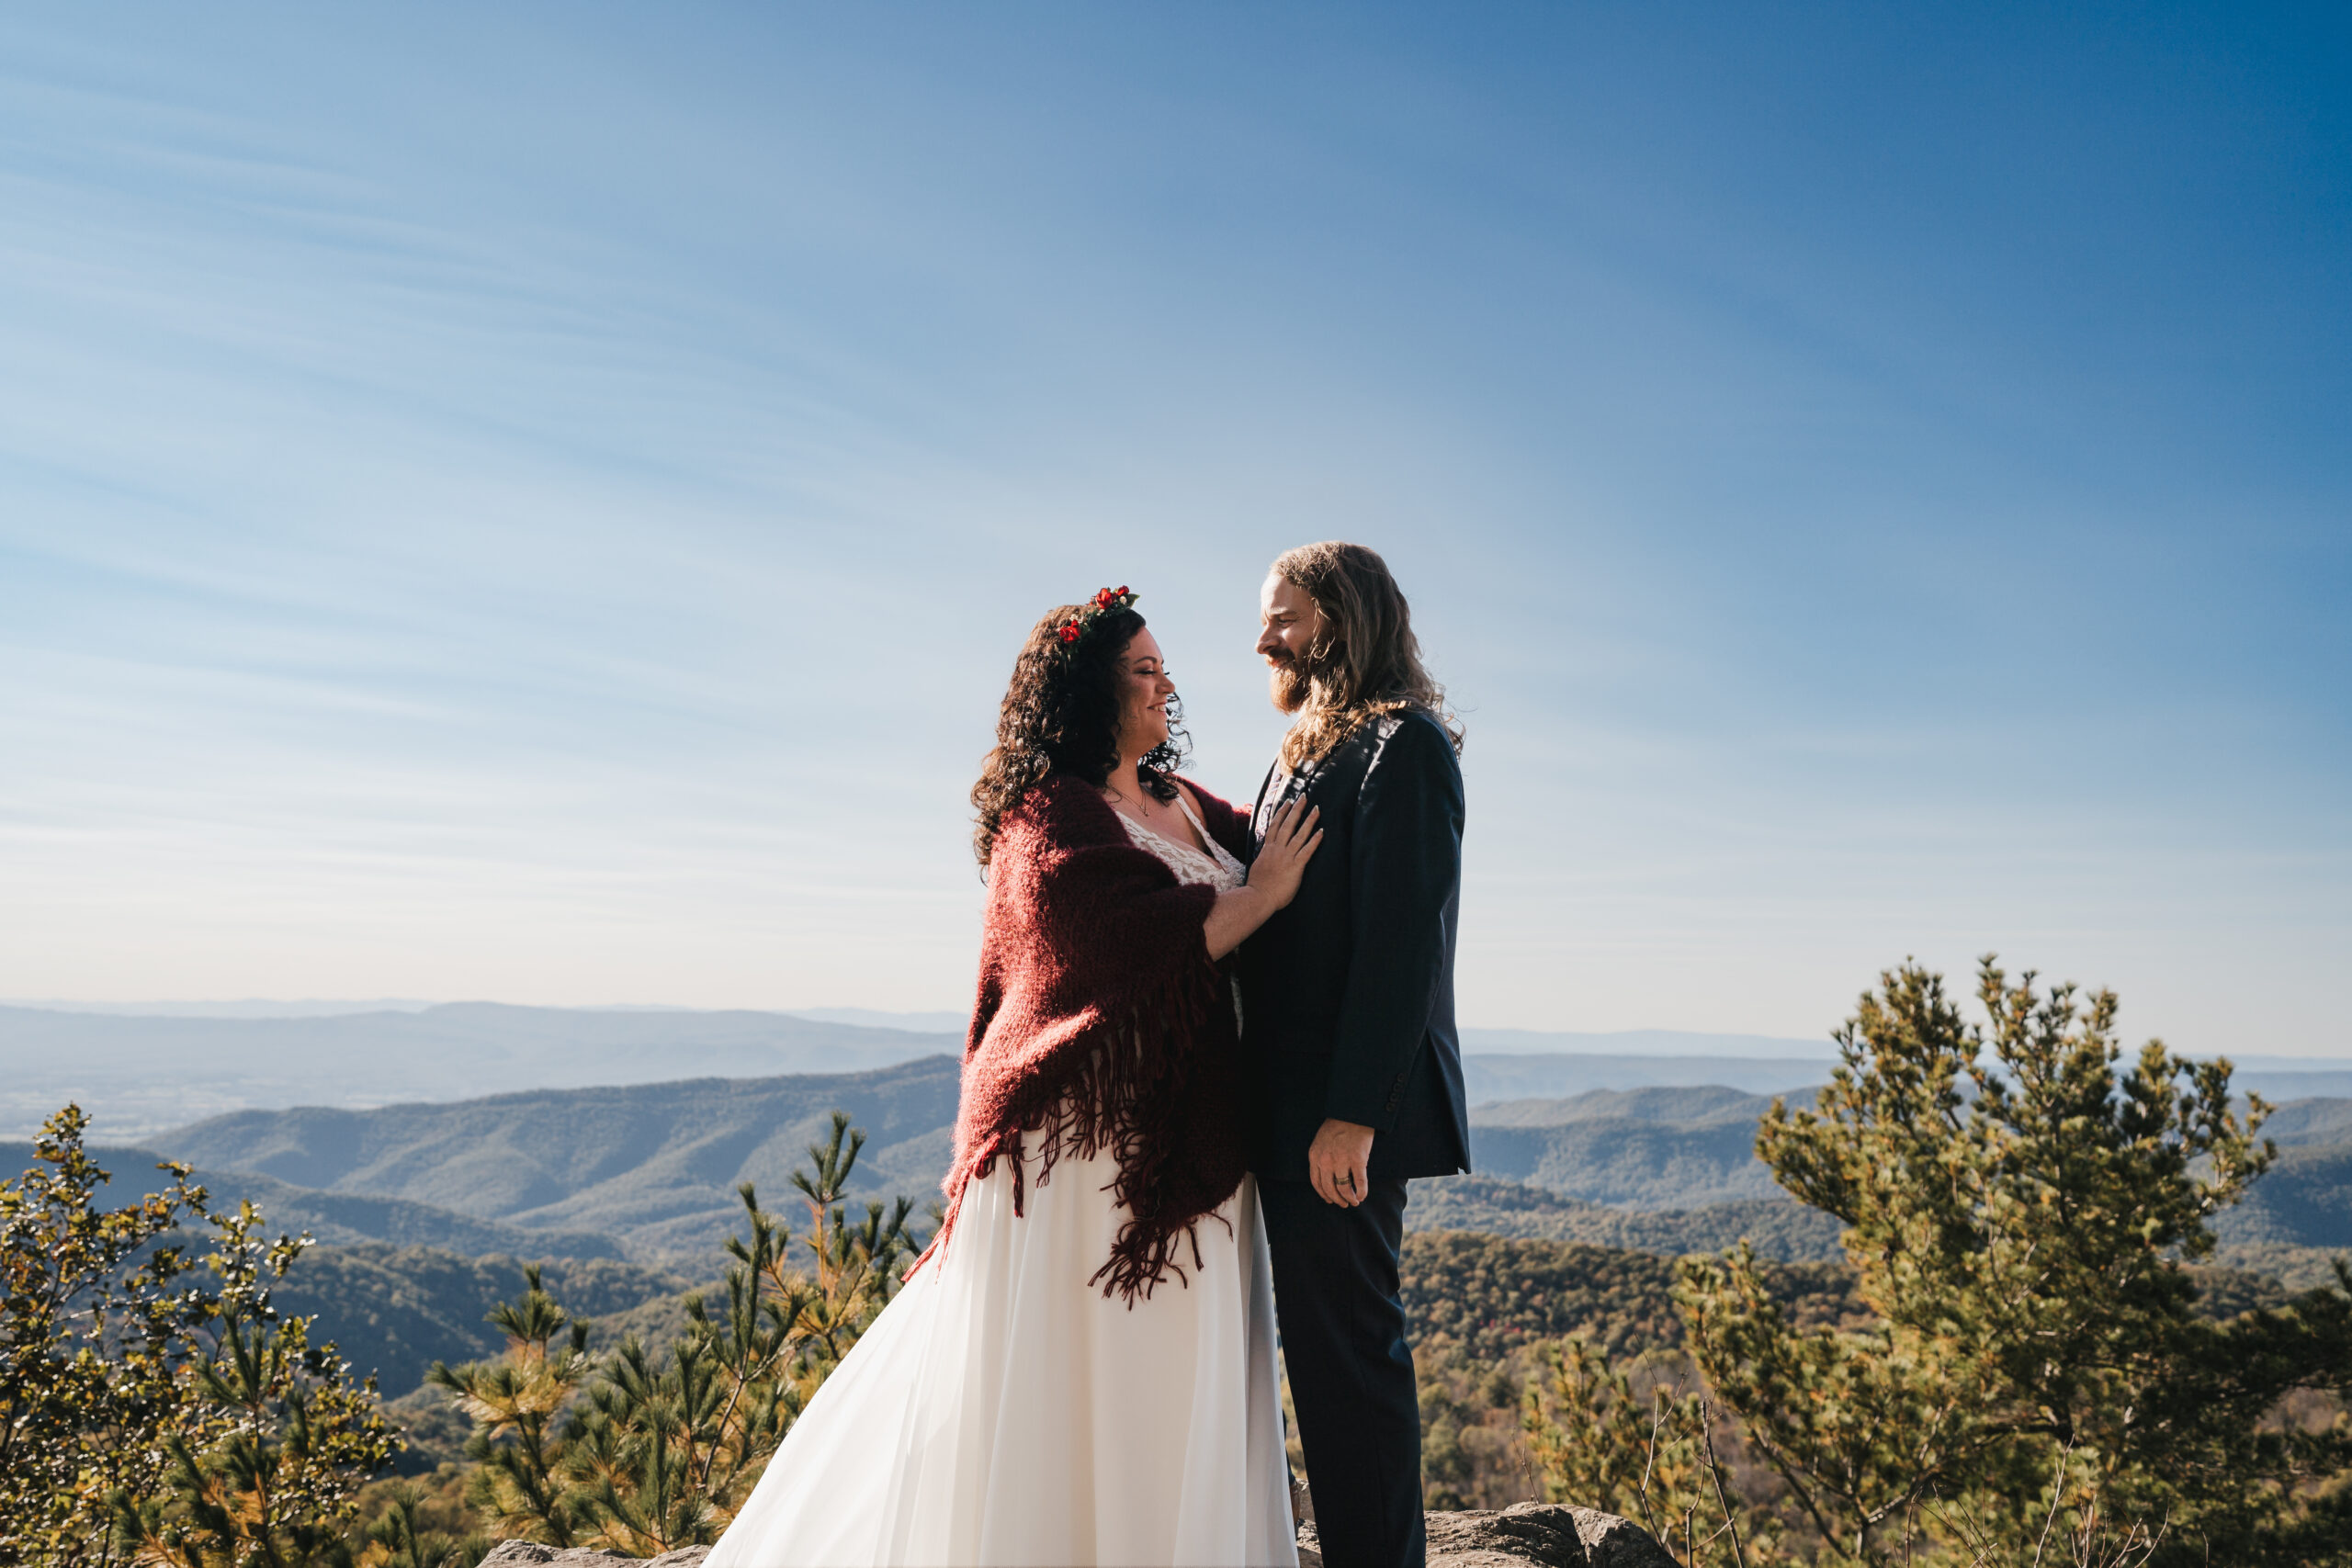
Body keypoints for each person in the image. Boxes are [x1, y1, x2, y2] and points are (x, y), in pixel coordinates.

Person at [707, 586, 1321, 1568]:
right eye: (1142, 670)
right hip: (1089, 1158)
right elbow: (1104, 939)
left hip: (1194, 1134)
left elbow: (1274, 859)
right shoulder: (1047, 816)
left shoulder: (1189, 807)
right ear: (1088, 691)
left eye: (1166, 668)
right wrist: (1264, 895)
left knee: (1175, 1384)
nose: (1165, 685)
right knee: (1091, 1385)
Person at [1236, 543, 1470, 1568]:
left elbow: (1402, 947)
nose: (1263, 640)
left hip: (1335, 1122)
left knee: (1349, 1364)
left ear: (1335, 621)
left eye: (1280, 619)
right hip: (1281, 1109)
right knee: (1318, 1363)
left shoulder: (1402, 747)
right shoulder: (1303, 747)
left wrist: (1354, 1113)